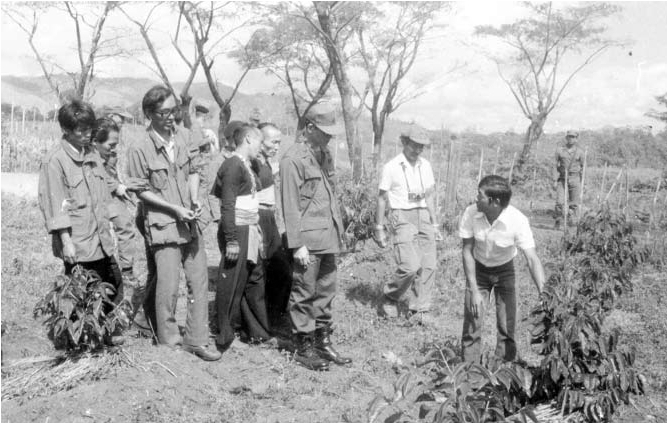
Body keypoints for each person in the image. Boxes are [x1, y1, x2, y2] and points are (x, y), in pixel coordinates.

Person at [126, 85, 221, 361]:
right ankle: (169, 343)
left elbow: (193, 169)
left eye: (173, 111)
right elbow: (140, 190)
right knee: (168, 285)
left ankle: (196, 339)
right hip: (162, 223)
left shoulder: (183, 137)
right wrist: (174, 208)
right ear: (149, 114)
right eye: (164, 112)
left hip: (189, 221)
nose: (170, 117)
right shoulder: (139, 147)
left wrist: (194, 200)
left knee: (199, 280)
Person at [38, 100, 124, 346]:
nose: (88, 134)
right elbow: (54, 205)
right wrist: (66, 242)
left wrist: (118, 191)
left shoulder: (92, 154)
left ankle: (103, 334)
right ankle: (77, 343)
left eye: (89, 128)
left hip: (100, 238)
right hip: (78, 241)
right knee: (81, 293)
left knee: (112, 284)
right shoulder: (54, 161)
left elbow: (102, 189)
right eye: (81, 130)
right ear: (66, 129)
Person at [280, 102, 351, 371]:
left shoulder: (324, 155)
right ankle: (304, 344)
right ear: (309, 128)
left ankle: (322, 340)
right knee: (304, 291)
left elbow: (329, 197)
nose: (329, 136)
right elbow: (290, 205)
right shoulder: (293, 159)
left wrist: (340, 233)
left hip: (328, 236)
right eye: (324, 131)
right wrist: (297, 245)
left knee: (326, 291)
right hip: (308, 240)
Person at [459, 175, 545, 363]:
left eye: (480, 195)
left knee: (507, 324)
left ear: (494, 202)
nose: (476, 198)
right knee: (473, 323)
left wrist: (543, 293)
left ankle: (503, 372)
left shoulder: (517, 220)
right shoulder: (471, 213)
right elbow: (467, 250)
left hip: (504, 271)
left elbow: (532, 258)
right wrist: (473, 290)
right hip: (478, 270)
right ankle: (469, 373)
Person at [212, 125, 272, 349]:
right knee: (232, 281)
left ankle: (257, 332)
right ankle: (225, 335)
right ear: (248, 139)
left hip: (250, 228)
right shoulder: (232, 166)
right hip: (237, 229)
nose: (261, 147)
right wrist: (231, 239)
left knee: (253, 279)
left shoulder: (248, 166)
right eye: (259, 142)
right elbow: (227, 205)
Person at [374, 125, 440, 325]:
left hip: (423, 216)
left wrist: (434, 222)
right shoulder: (391, 167)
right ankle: (390, 297)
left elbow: (429, 196)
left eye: (422, 147)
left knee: (429, 265)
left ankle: (421, 309)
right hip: (402, 215)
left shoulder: (425, 165)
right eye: (414, 146)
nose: (418, 150)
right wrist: (379, 227)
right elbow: (381, 199)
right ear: (404, 142)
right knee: (410, 266)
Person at [92, 118, 140, 283]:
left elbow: (112, 172)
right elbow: (98, 174)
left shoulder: (109, 153)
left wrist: (121, 186)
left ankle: (126, 270)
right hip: (98, 196)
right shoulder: (89, 156)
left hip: (110, 194)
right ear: (95, 142)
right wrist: (117, 187)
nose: (114, 149)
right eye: (110, 145)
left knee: (125, 225)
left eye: (115, 145)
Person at [254, 123, 292, 329]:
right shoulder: (252, 163)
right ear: (260, 141)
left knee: (281, 270)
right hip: (257, 216)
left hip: (269, 217)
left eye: (279, 142)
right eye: (273, 142)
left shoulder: (268, 162)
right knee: (260, 271)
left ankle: (274, 316)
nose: (277, 146)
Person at [553, 130, 585, 228]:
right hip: (562, 178)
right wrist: (554, 179)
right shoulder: (560, 150)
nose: (571, 139)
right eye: (569, 137)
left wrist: (584, 183)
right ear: (566, 138)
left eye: (573, 137)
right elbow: (554, 165)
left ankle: (571, 223)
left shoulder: (580, 152)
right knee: (559, 202)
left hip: (575, 178)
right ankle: (558, 221)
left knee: (574, 203)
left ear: (576, 139)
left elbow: (583, 168)